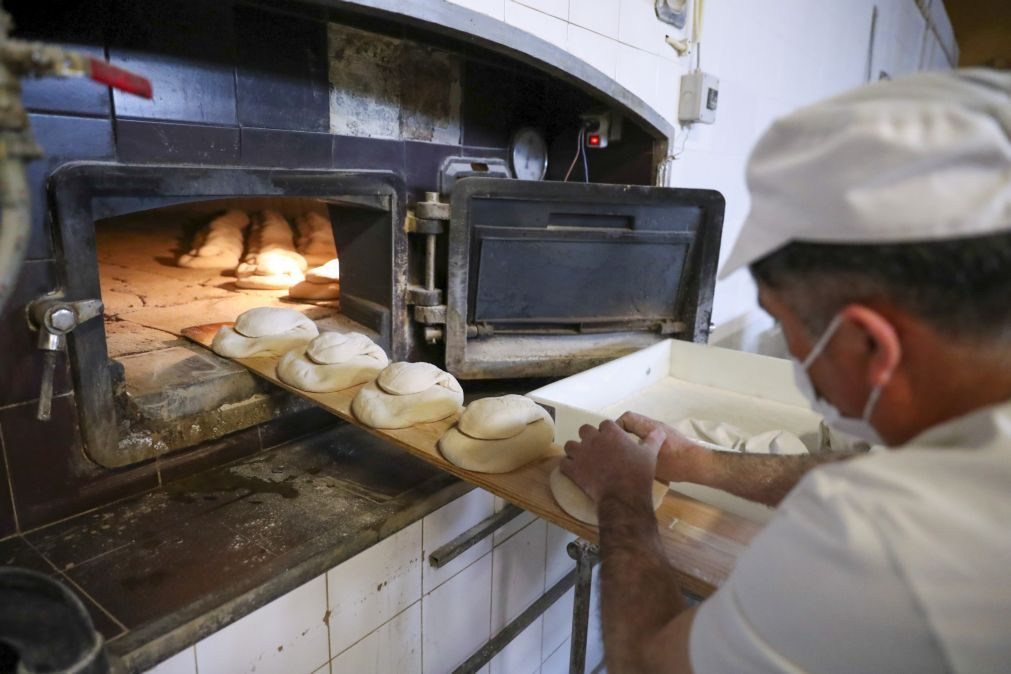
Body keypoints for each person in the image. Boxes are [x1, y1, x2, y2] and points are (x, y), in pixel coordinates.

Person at [561, 68, 1011, 674]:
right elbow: (878, 465)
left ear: (869, 345)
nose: (792, 351)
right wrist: (697, 463)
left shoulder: (887, 542)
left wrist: (623, 497)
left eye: (783, 320)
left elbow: (647, 664)